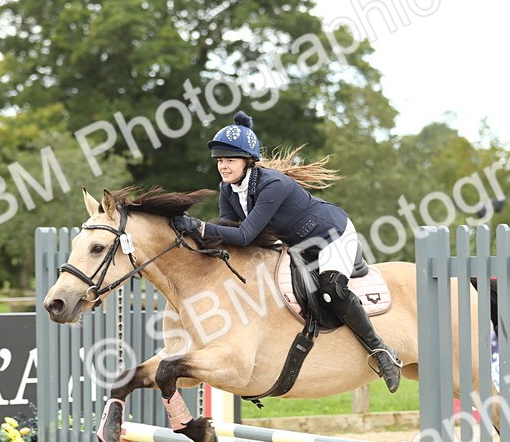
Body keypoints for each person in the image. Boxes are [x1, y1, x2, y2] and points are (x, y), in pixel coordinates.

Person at [171, 111, 402, 392]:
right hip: (298, 244)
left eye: (229, 160)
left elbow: (244, 236)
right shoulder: (228, 188)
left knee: (332, 290)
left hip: (332, 237)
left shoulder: (273, 185)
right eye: (220, 160)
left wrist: (201, 227)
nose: (223, 166)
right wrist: (193, 235)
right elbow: (227, 228)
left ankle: (381, 352)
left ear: (248, 161)